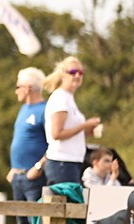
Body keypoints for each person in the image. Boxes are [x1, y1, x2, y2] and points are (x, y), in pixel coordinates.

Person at [6, 67, 49, 224]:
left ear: (29, 88)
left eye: (18, 86)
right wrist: (13, 168)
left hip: (35, 176)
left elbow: (54, 144)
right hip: (18, 175)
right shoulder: (23, 109)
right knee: (22, 220)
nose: (16, 91)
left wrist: (39, 167)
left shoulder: (45, 110)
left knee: (36, 220)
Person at [42, 57, 101, 185]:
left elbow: (69, 132)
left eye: (81, 73)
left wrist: (86, 131)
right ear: (63, 74)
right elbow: (57, 134)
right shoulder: (60, 98)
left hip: (71, 162)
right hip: (62, 163)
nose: (77, 75)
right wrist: (84, 125)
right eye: (73, 72)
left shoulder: (68, 98)